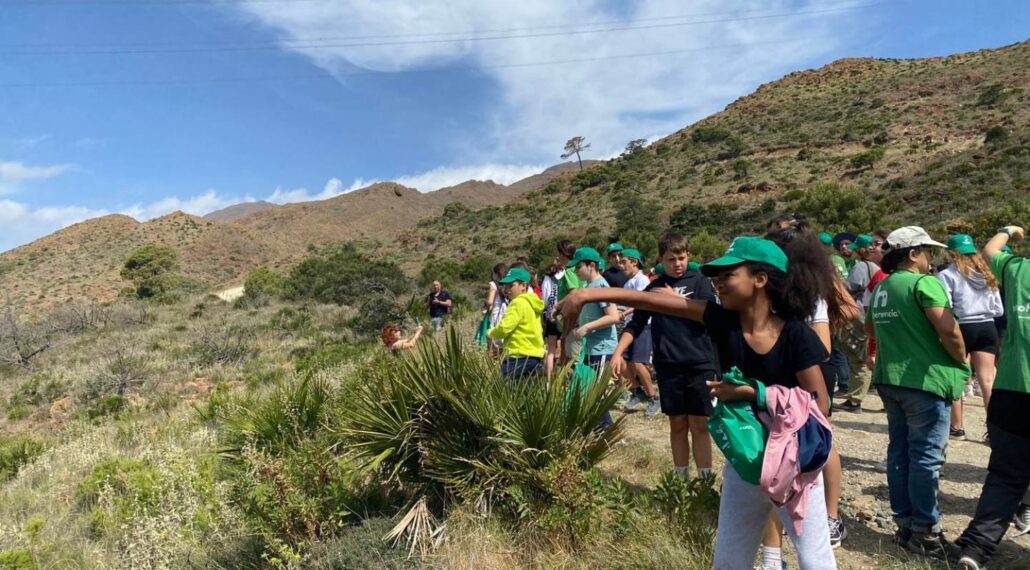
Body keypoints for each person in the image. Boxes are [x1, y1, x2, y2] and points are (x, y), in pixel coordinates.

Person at [558, 237, 836, 569]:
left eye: (728, 274)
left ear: (761, 280)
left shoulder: (795, 335)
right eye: (715, 276)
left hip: (793, 465)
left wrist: (754, 393)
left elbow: (820, 407)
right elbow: (653, 303)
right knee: (729, 559)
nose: (717, 283)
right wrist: (587, 294)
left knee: (814, 559)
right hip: (745, 457)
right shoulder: (722, 321)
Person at [865, 226, 970, 561]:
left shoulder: (883, 287)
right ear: (912, 253)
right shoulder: (924, 283)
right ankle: (927, 531)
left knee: (900, 452)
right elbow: (948, 329)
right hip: (924, 380)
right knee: (926, 456)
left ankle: (906, 525)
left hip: (890, 379)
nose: (932, 259)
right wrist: (959, 358)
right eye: (928, 252)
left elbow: (869, 328)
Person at [765, 219, 861, 553]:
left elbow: (826, 332)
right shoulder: (785, 284)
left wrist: (811, 364)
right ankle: (785, 524)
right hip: (799, 365)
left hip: (809, 368)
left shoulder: (809, 286)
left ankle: (829, 516)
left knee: (819, 439)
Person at [955, 225, 1030, 570]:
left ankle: (976, 547)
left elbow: (988, 252)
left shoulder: (1019, 270)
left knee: (1005, 475)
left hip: (1012, 388)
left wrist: (1008, 230)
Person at [616, 234, 719, 480]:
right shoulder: (653, 288)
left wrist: (675, 299)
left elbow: (709, 314)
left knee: (700, 424)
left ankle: (705, 481)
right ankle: (680, 480)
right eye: (671, 259)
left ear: (688, 257)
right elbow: (636, 324)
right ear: (661, 259)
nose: (677, 264)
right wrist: (618, 352)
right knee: (678, 424)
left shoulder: (701, 282)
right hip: (668, 365)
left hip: (699, 362)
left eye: (681, 258)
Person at [938, 233, 1004, 441]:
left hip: (963, 326)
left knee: (957, 375)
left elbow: (946, 305)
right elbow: (998, 310)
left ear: (952, 253)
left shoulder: (947, 274)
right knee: (987, 378)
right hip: (987, 326)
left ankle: (957, 428)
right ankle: (994, 429)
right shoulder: (987, 273)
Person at [567, 247, 621, 430]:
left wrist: (586, 327)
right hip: (591, 347)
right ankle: (600, 429)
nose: (576, 271)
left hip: (602, 348)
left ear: (591, 266)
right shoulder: (588, 287)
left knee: (595, 393)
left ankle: (605, 430)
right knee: (590, 391)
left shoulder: (601, 286)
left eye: (578, 266)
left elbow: (613, 316)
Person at [836, 234, 883, 413]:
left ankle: (855, 400)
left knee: (859, 359)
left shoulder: (860, 267)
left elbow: (849, 288)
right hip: (871, 314)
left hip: (859, 315)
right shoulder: (876, 266)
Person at [614, 248, 660, 418]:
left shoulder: (641, 280)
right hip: (630, 327)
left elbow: (641, 303)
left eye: (623, 261)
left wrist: (624, 313)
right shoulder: (627, 284)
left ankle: (653, 397)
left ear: (634, 262)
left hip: (643, 326)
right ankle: (636, 391)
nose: (621, 265)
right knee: (624, 362)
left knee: (639, 362)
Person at [487, 267, 546, 380]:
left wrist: (491, 333)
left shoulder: (517, 303)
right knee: (527, 391)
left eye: (511, 285)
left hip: (518, 356)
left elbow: (504, 328)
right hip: (535, 356)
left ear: (523, 286)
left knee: (508, 391)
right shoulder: (534, 303)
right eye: (505, 285)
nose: (507, 289)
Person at [540, 258, 564, 378]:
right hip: (565, 315)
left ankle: (549, 378)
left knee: (551, 349)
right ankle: (563, 376)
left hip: (551, 316)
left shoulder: (547, 278)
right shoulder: (567, 275)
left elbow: (544, 298)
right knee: (564, 347)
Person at [485, 263, 509, 355]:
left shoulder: (493, 284)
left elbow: (490, 302)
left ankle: (494, 366)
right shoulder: (507, 284)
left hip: (496, 315)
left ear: (495, 274)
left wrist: (486, 304)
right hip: (505, 313)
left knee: (493, 344)